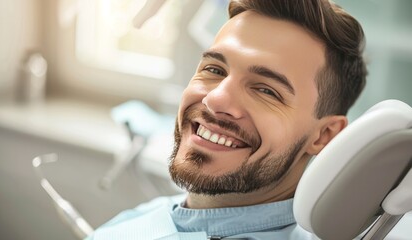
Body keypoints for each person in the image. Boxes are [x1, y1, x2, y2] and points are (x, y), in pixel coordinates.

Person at [88, 0, 367, 239]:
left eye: (266, 90)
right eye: (214, 69)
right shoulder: (164, 213)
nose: (215, 100)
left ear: (324, 135)